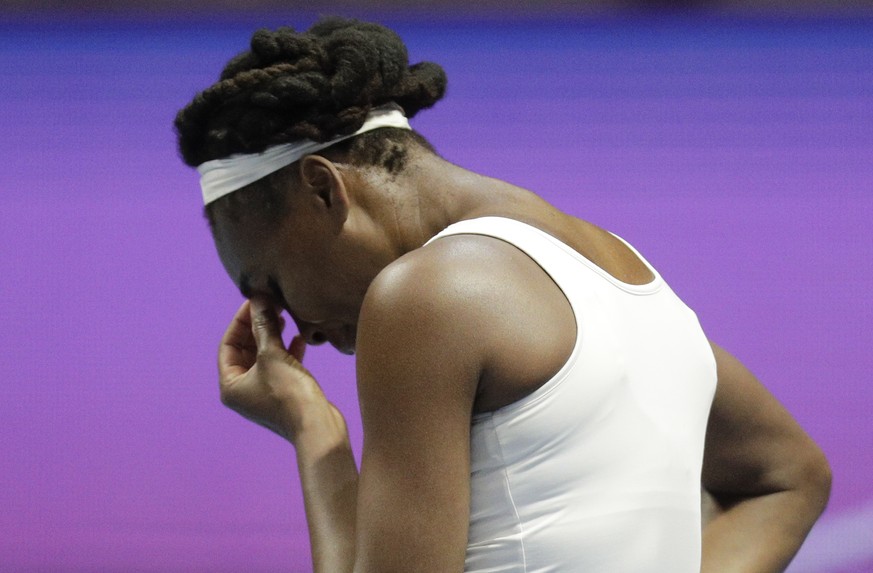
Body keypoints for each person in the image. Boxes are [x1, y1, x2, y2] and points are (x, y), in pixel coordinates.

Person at [174, 17, 831, 573]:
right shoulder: (630, 274)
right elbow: (788, 475)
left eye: (270, 282)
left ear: (323, 188)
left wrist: (312, 428)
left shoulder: (425, 295)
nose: (293, 327)